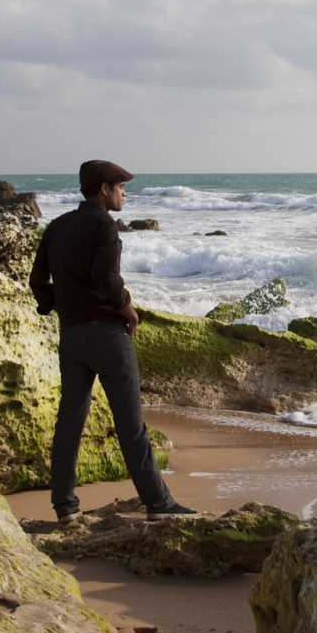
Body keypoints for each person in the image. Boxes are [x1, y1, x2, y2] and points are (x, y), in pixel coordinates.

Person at [29, 159, 197, 525]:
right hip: (108, 334)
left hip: (72, 336)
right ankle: (158, 503)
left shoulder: (57, 227)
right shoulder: (103, 224)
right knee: (130, 424)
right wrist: (127, 309)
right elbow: (105, 277)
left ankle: (65, 508)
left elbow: (37, 282)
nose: (124, 193)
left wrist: (61, 306)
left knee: (70, 421)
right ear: (104, 189)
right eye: (120, 186)